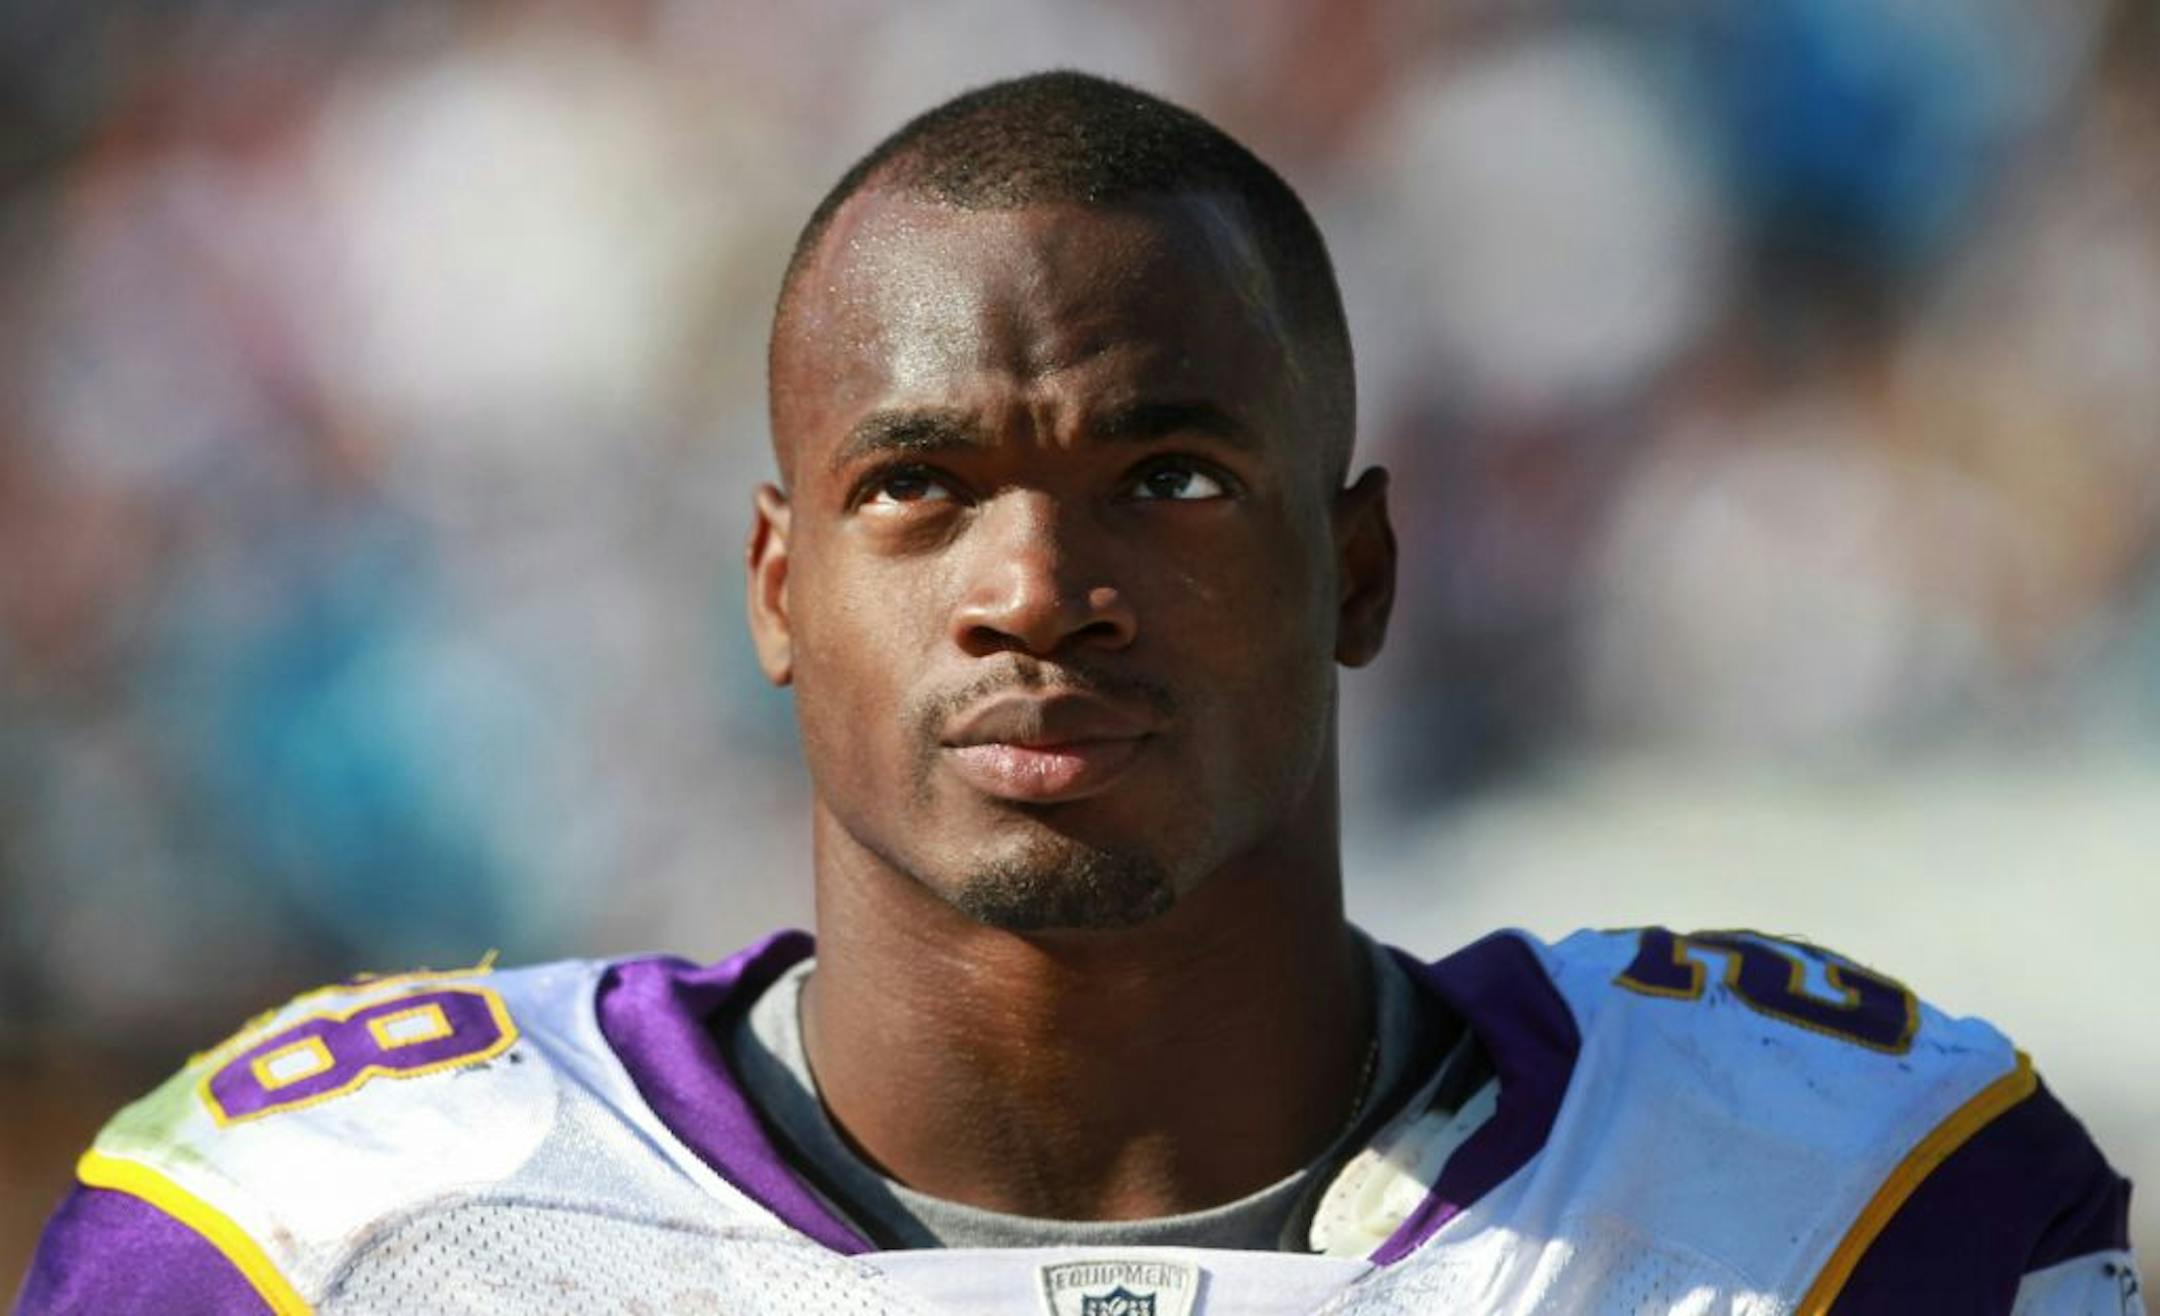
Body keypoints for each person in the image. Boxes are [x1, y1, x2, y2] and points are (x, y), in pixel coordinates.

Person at [14, 71, 2141, 1316]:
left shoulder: (1844, 1199)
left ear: (1365, 566)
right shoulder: (334, 1236)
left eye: (1175, 478)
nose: (1041, 589)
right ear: (777, 584)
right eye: (920, 486)